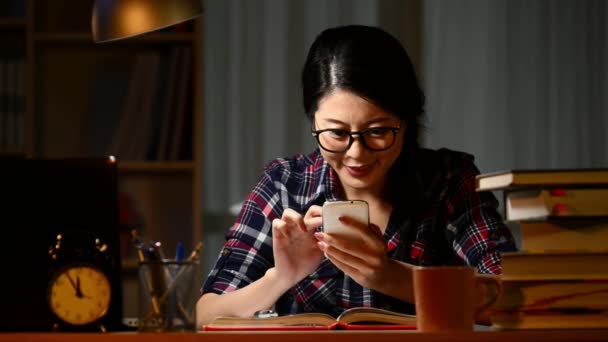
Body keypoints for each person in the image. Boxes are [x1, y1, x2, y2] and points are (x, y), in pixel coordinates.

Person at [196, 25, 516, 327]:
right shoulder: (284, 184)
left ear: (405, 122)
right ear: (314, 124)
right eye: (336, 133)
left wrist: (391, 277)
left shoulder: (447, 180)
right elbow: (205, 314)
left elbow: (516, 300)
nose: (356, 154)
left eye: (377, 132)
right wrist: (281, 276)